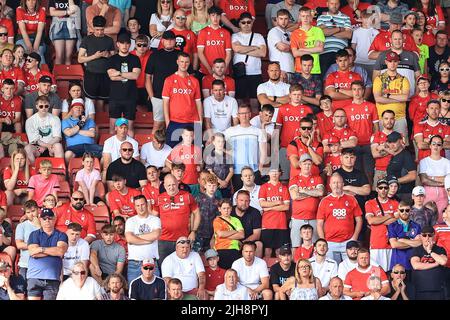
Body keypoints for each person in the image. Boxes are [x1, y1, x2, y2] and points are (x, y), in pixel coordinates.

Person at [317, 172, 363, 264]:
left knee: (350, 269)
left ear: (343, 184)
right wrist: (323, 241)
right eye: (334, 183)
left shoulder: (351, 199)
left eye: (338, 182)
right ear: (330, 185)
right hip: (330, 242)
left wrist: (354, 238)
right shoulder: (324, 201)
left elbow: (359, 220)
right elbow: (319, 223)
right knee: (331, 271)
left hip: (348, 241)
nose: (336, 185)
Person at [153, 174, 200, 263]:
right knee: (163, 266)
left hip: (183, 239)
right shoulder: (159, 198)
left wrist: (193, 231)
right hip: (163, 240)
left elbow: (197, 213)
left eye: (173, 184)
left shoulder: (187, 196)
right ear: (164, 186)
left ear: (177, 183)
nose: (171, 187)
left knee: (183, 266)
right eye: (169, 185)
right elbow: (153, 217)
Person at [162, 52, 202, 148]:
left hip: (192, 122)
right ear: (177, 62)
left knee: (196, 152)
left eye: (187, 62)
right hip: (174, 122)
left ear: (189, 63)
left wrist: (199, 124)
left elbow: (198, 103)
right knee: (172, 152)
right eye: (182, 62)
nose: (184, 64)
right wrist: (168, 123)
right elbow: (165, 103)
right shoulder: (169, 80)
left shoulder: (194, 81)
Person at [27, 208, 68, 300]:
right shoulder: (34, 234)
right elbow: (33, 252)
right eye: (44, 218)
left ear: (54, 219)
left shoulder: (62, 235)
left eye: (49, 218)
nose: (47, 220)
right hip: (34, 276)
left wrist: (41, 249)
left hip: (52, 277)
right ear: (40, 220)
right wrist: (53, 251)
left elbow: (60, 251)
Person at [224, 104, 267, 190]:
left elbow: (263, 151)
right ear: (238, 115)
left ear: (250, 114)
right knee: (239, 197)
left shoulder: (258, 131)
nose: (244, 115)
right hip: (236, 172)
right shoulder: (229, 132)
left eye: (246, 113)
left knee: (255, 197)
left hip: (254, 171)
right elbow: (219, 146)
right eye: (241, 113)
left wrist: (260, 167)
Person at [107, 32, 141, 137]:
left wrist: (120, 73)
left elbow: (135, 76)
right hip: (115, 97)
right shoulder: (112, 59)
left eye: (127, 43)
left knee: (129, 128)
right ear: (117, 44)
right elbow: (112, 76)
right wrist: (128, 75)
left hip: (130, 97)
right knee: (113, 128)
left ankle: (130, 150)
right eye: (122, 43)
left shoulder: (135, 59)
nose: (124, 46)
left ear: (130, 45)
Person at [275, 85, 313, 179]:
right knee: (285, 177)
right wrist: (275, 144)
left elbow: (312, 129)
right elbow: (277, 128)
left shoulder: (307, 109)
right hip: (285, 145)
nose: (297, 97)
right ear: (290, 95)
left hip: (303, 147)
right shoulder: (282, 109)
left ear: (302, 95)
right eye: (294, 94)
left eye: (299, 94)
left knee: (302, 176)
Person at [231, 12, 266, 113]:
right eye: (243, 22)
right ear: (239, 24)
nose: (246, 24)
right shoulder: (235, 35)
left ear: (252, 23)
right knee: (239, 100)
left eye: (248, 22)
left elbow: (263, 53)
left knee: (255, 101)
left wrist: (244, 49)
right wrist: (254, 48)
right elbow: (237, 49)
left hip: (255, 72)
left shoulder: (258, 36)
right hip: (240, 72)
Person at [78, 15, 115, 112]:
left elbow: (113, 56)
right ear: (93, 27)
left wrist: (108, 55)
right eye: (97, 29)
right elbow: (80, 59)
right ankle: (92, 124)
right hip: (91, 73)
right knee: (91, 102)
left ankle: (99, 123)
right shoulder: (87, 39)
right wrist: (95, 56)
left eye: (102, 30)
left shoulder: (109, 40)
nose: (99, 32)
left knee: (101, 101)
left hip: (105, 74)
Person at [373, 51, 410, 139]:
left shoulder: (404, 79)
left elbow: (405, 97)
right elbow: (378, 99)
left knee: (401, 146)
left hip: (399, 118)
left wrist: (388, 95)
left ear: (398, 62)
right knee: (383, 146)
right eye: (390, 61)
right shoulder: (379, 79)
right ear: (386, 62)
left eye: (395, 61)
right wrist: (398, 98)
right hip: (383, 119)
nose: (392, 64)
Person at [125, 194, 161, 283]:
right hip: (134, 263)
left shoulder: (155, 220)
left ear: (147, 204)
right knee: (134, 294)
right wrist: (148, 240)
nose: (140, 208)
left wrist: (135, 237)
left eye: (142, 205)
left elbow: (155, 235)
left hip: (152, 262)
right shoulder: (130, 221)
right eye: (137, 205)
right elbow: (129, 239)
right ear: (134, 207)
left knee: (154, 295)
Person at [289, 154, 324, 246]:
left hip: (314, 218)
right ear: (300, 165)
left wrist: (303, 190)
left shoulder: (317, 178)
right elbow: (295, 196)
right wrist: (312, 193)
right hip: (297, 218)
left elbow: (320, 192)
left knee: (315, 245)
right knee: (295, 246)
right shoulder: (294, 179)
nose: (307, 166)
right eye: (304, 164)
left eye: (309, 164)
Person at [365, 178, 398, 272]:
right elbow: (371, 221)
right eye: (380, 188)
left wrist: (379, 220)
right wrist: (389, 216)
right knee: (376, 274)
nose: (383, 190)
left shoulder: (395, 203)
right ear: (376, 189)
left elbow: (397, 221)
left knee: (392, 272)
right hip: (376, 243)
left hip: (391, 243)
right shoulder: (370, 203)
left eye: (385, 188)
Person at [258, 167, 290, 258]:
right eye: (272, 171)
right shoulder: (264, 187)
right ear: (268, 173)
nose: (274, 173)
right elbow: (262, 203)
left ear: (280, 173)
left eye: (276, 171)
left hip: (281, 223)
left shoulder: (284, 188)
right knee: (267, 250)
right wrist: (277, 202)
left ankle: (278, 271)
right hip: (268, 223)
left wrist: (268, 208)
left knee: (279, 250)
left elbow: (286, 206)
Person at [418, 134, 450, 222]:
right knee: (427, 220)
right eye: (434, 143)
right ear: (430, 145)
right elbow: (424, 180)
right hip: (428, 195)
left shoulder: (447, 162)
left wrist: (431, 177)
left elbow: (448, 180)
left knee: (442, 220)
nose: (436, 146)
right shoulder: (423, 161)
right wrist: (441, 181)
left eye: (439, 144)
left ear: (442, 147)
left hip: (443, 195)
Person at [411, 225, 448, 300]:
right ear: (421, 237)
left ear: (434, 236)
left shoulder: (440, 249)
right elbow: (415, 265)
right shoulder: (417, 250)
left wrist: (430, 251)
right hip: (421, 289)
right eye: (424, 235)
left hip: (438, 289)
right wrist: (436, 264)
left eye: (429, 235)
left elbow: (443, 262)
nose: (427, 238)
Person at [24, 96, 64, 164]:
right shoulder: (30, 121)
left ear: (49, 106)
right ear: (37, 106)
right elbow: (35, 140)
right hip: (37, 148)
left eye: (46, 106)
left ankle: (58, 171)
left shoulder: (55, 118)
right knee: (27, 148)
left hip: (52, 145)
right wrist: (46, 146)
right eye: (41, 106)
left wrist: (46, 147)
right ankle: (33, 170)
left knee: (58, 146)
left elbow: (57, 137)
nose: (44, 108)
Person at [316, 0, 352, 74]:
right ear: (327, 4)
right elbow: (320, 33)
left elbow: (348, 35)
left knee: (340, 78)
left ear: (339, 4)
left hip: (341, 54)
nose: (334, 5)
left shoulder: (346, 18)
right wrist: (339, 29)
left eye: (336, 3)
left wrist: (329, 31)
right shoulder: (321, 17)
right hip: (325, 52)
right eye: (332, 3)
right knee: (324, 79)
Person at [62, 99, 102, 164]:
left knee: (106, 151)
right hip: (74, 147)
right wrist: (81, 124)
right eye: (76, 107)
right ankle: (68, 172)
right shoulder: (66, 121)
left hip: (89, 146)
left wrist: (75, 130)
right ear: (71, 109)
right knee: (68, 154)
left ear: (83, 110)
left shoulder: (89, 120)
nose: (78, 109)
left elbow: (92, 134)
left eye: (80, 107)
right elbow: (69, 133)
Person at [388, 200, 422, 273]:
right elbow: (394, 244)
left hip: (412, 263)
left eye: (407, 210)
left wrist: (402, 240)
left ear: (411, 211)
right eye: (402, 210)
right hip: (397, 264)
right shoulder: (392, 225)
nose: (404, 212)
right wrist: (413, 242)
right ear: (398, 211)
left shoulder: (416, 226)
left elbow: (419, 243)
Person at [196, 6, 232, 76]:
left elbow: (229, 54)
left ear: (220, 17)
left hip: (222, 72)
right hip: (206, 71)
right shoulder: (203, 32)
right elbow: (200, 53)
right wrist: (209, 69)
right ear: (209, 16)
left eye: (217, 16)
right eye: (213, 15)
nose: (215, 18)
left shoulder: (226, 33)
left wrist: (223, 69)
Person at [335, 147, 371, 212]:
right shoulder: (336, 174)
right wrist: (357, 190)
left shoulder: (360, 174)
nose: (349, 160)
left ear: (355, 158)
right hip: (342, 208)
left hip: (359, 207)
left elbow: (367, 191)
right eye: (346, 157)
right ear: (341, 158)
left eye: (351, 157)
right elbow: (335, 191)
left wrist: (348, 187)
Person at [213, 198, 244, 269]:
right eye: (224, 208)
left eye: (228, 208)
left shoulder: (236, 220)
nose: (226, 210)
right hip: (221, 249)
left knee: (234, 272)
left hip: (234, 249)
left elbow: (241, 235)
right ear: (219, 209)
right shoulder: (217, 220)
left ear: (231, 208)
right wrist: (235, 231)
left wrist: (225, 235)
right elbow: (220, 234)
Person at [385, 132, 417, 199]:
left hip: (404, 194)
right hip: (395, 193)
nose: (392, 145)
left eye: (394, 142)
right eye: (390, 142)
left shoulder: (406, 155)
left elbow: (413, 175)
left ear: (400, 141)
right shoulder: (395, 155)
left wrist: (394, 181)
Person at [15, 200, 40, 283]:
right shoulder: (21, 226)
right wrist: (37, 246)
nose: (31, 214)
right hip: (25, 264)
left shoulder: (45, 224)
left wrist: (38, 226)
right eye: (28, 212)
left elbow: (47, 241)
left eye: (33, 211)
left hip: (41, 264)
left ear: (38, 210)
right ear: (25, 213)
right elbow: (19, 245)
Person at [231, 190, 263, 257]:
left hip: (248, 242)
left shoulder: (255, 212)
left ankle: (255, 267)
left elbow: (257, 234)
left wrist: (243, 243)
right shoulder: (230, 211)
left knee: (259, 244)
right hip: (232, 241)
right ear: (236, 200)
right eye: (241, 200)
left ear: (249, 201)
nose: (244, 203)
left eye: (246, 201)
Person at [48, 0, 80, 65]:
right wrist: (67, 12)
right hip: (57, 25)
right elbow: (52, 12)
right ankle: (58, 74)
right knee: (59, 55)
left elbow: (73, 11)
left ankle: (67, 74)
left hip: (70, 26)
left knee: (68, 56)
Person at [370, 110, 396, 187]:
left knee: (396, 195)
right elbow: (375, 154)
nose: (389, 121)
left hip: (396, 170)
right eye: (386, 118)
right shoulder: (376, 135)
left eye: (391, 118)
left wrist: (383, 147)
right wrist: (392, 148)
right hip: (380, 170)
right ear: (381, 120)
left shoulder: (400, 136)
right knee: (377, 194)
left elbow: (398, 153)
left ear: (394, 120)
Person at [267, 9, 294, 81]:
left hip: (291, 69)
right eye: (281, 19)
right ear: (277, 19)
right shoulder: (273, 31)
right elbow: (282, 47)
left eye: (286, 19)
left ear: (289, 20)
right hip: (280, 70)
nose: (283, 21)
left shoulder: (290, 33)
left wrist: (292, 49)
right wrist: (294, 49)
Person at [204, 132, 234, 198]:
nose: (220, 143)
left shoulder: (228, 156)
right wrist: (220, 182)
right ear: (214, 142)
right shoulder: (210, 156)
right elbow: (210, 171)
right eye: (218, 141)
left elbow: (231, 171)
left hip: (226, 185)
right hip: (215, 186)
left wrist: (225, 182)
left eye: (222, 141)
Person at [351, 10, 379, 74]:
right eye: (365, 18)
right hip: (358, 61)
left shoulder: (376, 32)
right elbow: (353, 47)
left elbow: (378, 47)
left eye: (369, 18)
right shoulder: (356, 32)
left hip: (372, 62)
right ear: (361, 19)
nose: (367, 21)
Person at [130, 34, 152, 112]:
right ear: (135, 45)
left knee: (148, 109)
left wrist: (151, 91)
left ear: (148, 45)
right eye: (139, 45)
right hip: (132, 87)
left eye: (144, 45)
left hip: (147, 87)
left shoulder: (152, 55)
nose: (142, 47)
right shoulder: (130, 55)